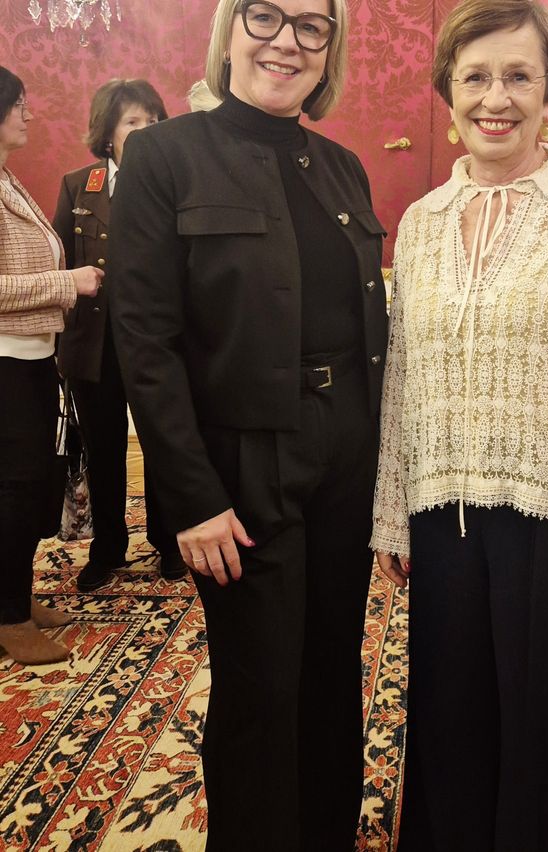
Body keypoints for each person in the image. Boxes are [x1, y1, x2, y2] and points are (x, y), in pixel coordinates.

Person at [107, 1, 387, 848]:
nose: (286, 42)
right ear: (230, 27)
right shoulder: (161, 156)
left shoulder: (343, 167)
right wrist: (189, 496)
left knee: (334, 672)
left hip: (347, 450)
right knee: (261, 686)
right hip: (240, 462)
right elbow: (144, 342)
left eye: (312, 25)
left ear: (328, 48)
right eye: (265, 15)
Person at [371, 1, 548, 849]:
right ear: (449, 94)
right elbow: (405, 376)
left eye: (519, 76)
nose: (497, 97)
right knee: (453, 729)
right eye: (477, 77)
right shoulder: (419, 224)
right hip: (443, 520)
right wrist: (393, 507)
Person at [52, 79, 182, 592]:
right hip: (96, 342)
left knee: (163, 443)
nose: (146, 131)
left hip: (157, 340)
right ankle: (108, 547)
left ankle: (168, 543)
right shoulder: (77, 184)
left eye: (153, 121)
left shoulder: (173, 180)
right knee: (103, 447)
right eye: (133, 122)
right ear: (109, 133)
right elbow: (62, 258)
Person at [0, 66, 102, 664]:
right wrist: (72, 282)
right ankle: (10, 616)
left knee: (30, 484)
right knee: (15, 491)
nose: (29, 114)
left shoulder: (9, 179)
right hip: (7, 359)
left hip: (32, 355)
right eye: (18, 104)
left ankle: (14, 595)